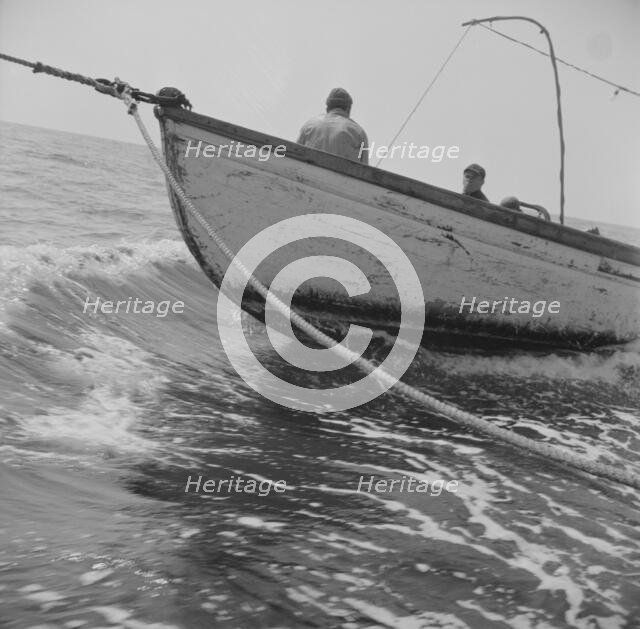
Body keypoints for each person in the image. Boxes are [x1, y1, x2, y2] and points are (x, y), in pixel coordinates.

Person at [297, 88, 369, 164]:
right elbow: (365, 169)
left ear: (327, 108)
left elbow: (296, 155)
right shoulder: (358, 132)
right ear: (348, 109)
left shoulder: (309, 125)